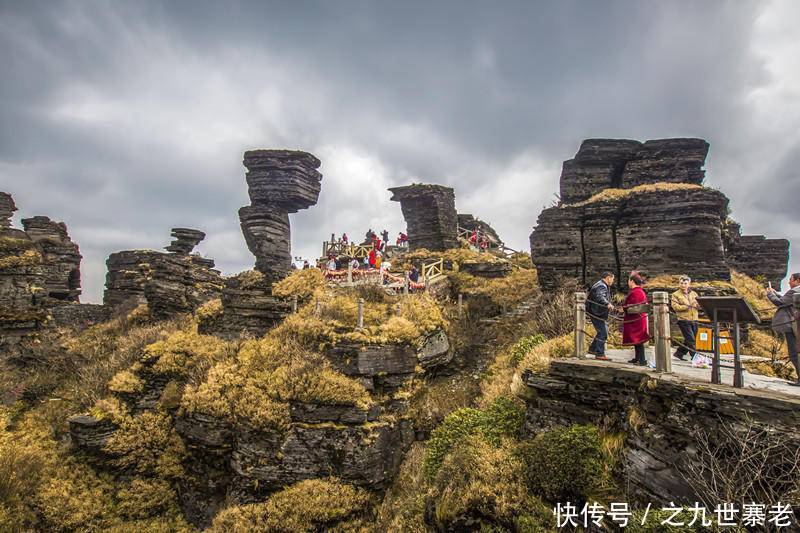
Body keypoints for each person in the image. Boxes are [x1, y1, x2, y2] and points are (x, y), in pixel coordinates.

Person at [767, 273, 800, 385]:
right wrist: (776, 293)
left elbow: (780, 303)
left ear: (797, 280)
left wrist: (770, 294)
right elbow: (786, 301)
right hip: (796, 326)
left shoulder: (795, 290)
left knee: (794, 352)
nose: (789, 282)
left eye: (791, 280)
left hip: (792, 326)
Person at [623, 271, 650, 366]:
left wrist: (624, 308)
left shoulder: (635, 292)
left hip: (635, 319)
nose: (628, 282)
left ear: (632, 281)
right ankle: (637, 357)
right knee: (637, 339)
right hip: (640, 318)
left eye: (629, 281)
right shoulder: (641, 292)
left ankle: (642, 360)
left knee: (638, 340)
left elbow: (630, 306)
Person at [587, 272, 615, 361]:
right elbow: (600, 296)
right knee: (603, 333)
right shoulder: (601, 286)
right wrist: (607, 304)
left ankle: (592, 349)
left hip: (595, 312)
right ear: (608, 278)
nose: (613, 281)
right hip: (597, 313)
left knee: (602, 332)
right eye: (612, 279)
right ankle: (600, 354)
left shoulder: (600, 284)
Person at [670, 275, 700, 361]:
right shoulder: (675, 295)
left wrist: (698, 306)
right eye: (681, 283)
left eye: (685, 283)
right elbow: (675, 307)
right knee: (691, 340)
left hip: (694, 319)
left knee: (689, 339)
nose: (683, 285)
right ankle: (695, 357)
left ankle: (679, 353)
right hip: (683, 320)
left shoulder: (694, 294)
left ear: (689, 284)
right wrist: (688, 306)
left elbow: (699, 305)